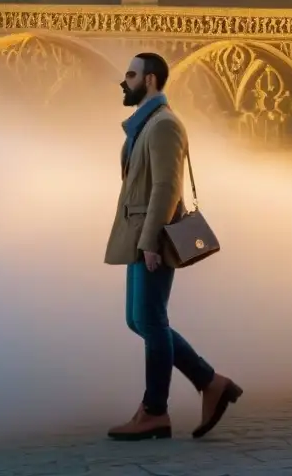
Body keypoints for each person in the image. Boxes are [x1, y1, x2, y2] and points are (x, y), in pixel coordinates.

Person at [104, 52, 242, 441]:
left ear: (150, 80)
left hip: (152, 235)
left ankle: (155, 411)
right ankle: (210, 382)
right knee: (140, 320)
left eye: (130, 74)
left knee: (150, 321)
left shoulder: (164, 124)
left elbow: (167, 187)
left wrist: (151, 242)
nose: (124, 81)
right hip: (138, 232)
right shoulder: (146, 124)